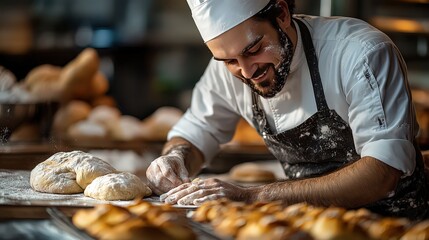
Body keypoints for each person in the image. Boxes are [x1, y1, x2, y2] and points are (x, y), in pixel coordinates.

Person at [146, 0, 429, 220]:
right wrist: (175, 158)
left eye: (254, 49)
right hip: (306, 228)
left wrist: (253, 196)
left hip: (396, 227)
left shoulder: (360, 53)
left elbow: (383, 172)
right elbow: (196, 133)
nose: (246, 72)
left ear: (281, 13)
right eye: (229, 60)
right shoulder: (227, 71)